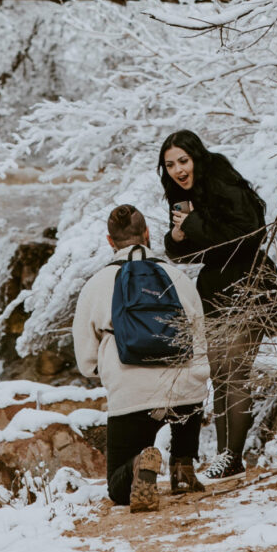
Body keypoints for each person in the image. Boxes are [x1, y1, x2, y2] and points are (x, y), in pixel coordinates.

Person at [159, 130, 277, 481]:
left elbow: (249, 233)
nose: (178, 170)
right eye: (170, 165)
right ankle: (227, 458)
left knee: (235, 371)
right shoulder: (184, 195)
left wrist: (195, 224)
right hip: (215, 290)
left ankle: (231, 457)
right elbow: (196, 252)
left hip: (247, 285)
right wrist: (175, 239)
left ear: (197, 157)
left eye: (183, 160)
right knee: (220, 373)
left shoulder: (222, 180)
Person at [73, 204, 210, 512]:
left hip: (132, 395)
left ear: (110, 242)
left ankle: (137, 464)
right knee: (188, 392)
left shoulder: (95, 285)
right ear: (147, 235)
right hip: (185, 392)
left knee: (118, 490)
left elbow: (86, 361)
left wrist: (108, 369)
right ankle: (183, 465)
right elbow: (199, 335)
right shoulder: (177, 276)